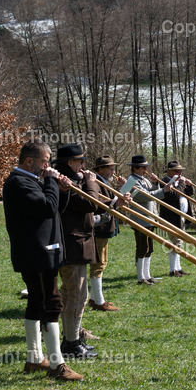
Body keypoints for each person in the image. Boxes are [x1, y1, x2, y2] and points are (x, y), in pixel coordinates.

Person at [2, 140, 82, 381]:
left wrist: (63, 190)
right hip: (36, 253)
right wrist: (51, 182)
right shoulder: (19, 182)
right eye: (45, 161)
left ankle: (35, 358)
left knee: (37, 302)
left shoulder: (30, 181)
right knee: (51, 303)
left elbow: (55, 209)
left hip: (44, 249)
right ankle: (57, 364)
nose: (48, 166)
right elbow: (47, 207)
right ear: (29, 161)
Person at [54, 144, 101, 360]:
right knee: (75, 294)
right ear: (69, 163)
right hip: (71, 246)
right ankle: (70, 343)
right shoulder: (64, 182)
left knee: (79, 294)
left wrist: (117, 202)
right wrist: (91, 181)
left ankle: (74, 338)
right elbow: (89, 202)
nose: (83, 165)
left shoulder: (75, 181)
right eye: (80, 161)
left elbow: (96, 204)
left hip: (78, 245)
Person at [88, 156, 128, 312]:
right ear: (100, 169)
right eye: (110, 168)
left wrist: (124, 189)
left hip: (104, 226)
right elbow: (96, 205)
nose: (113, 171)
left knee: (101, 263)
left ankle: (95, 298)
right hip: (99, 227)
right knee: (98, 264)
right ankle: (98, 301)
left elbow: (113, 201)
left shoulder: (105, 182)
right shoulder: (95, 183)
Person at [129, 155, 166, 284]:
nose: (146, 170)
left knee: (149, 248)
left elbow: (152, 192)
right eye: (144, 167)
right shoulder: (132, 180)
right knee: (142, 248)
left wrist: (156, 183)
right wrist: (163, 191)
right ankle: (141, 278)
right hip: (140, 219)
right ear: (136, 168)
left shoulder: (144, 180)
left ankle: (147, 275)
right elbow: (143, 196)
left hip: (149, 218)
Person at [158, 160, 193, 277]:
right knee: (176, 243)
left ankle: (178, 267)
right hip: (170, 217)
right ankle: (173, 270)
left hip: (181, 216)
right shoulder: (164, 182)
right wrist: (182, 184)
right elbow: (174, 196)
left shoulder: (179, 182)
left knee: (179, 243)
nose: (180, 174)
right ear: (169, 171)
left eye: (181, 171)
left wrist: (189, 185)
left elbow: (189, 193)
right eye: (177, 171)